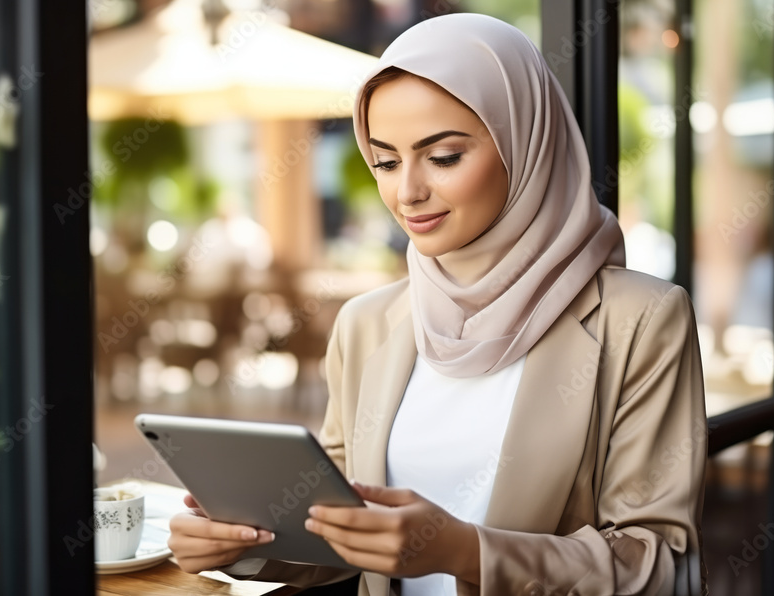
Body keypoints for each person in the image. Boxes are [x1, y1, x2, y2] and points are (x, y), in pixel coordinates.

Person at [168, 13, 708, 596]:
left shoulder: (642, 320)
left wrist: (466, 551)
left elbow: (658, 567)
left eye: (444, 157)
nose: (407, 193)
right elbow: (338, 528)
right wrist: (242, 544)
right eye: (386, 161)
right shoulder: (367, 325)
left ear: (525, 145)